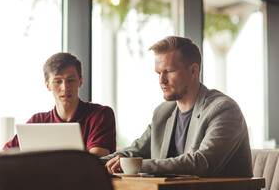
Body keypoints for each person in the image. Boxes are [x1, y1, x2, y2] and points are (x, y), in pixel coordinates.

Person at [102, 36, 252, 177]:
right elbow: (134, 152)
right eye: (159, 73)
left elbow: (203, 163)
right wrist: (87, 163)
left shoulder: (224, 109)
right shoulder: (163, 112)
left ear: (193, 70)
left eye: (169, 71)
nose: (162, 80)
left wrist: (136, 167)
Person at [3, 52, 116, 157]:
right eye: (58, 81)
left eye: (70, 80)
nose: (65, 88)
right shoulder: (38, 121)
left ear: (80, 81)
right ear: (47, 85)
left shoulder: (100, 115)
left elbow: (95, 160)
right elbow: (5, 154)